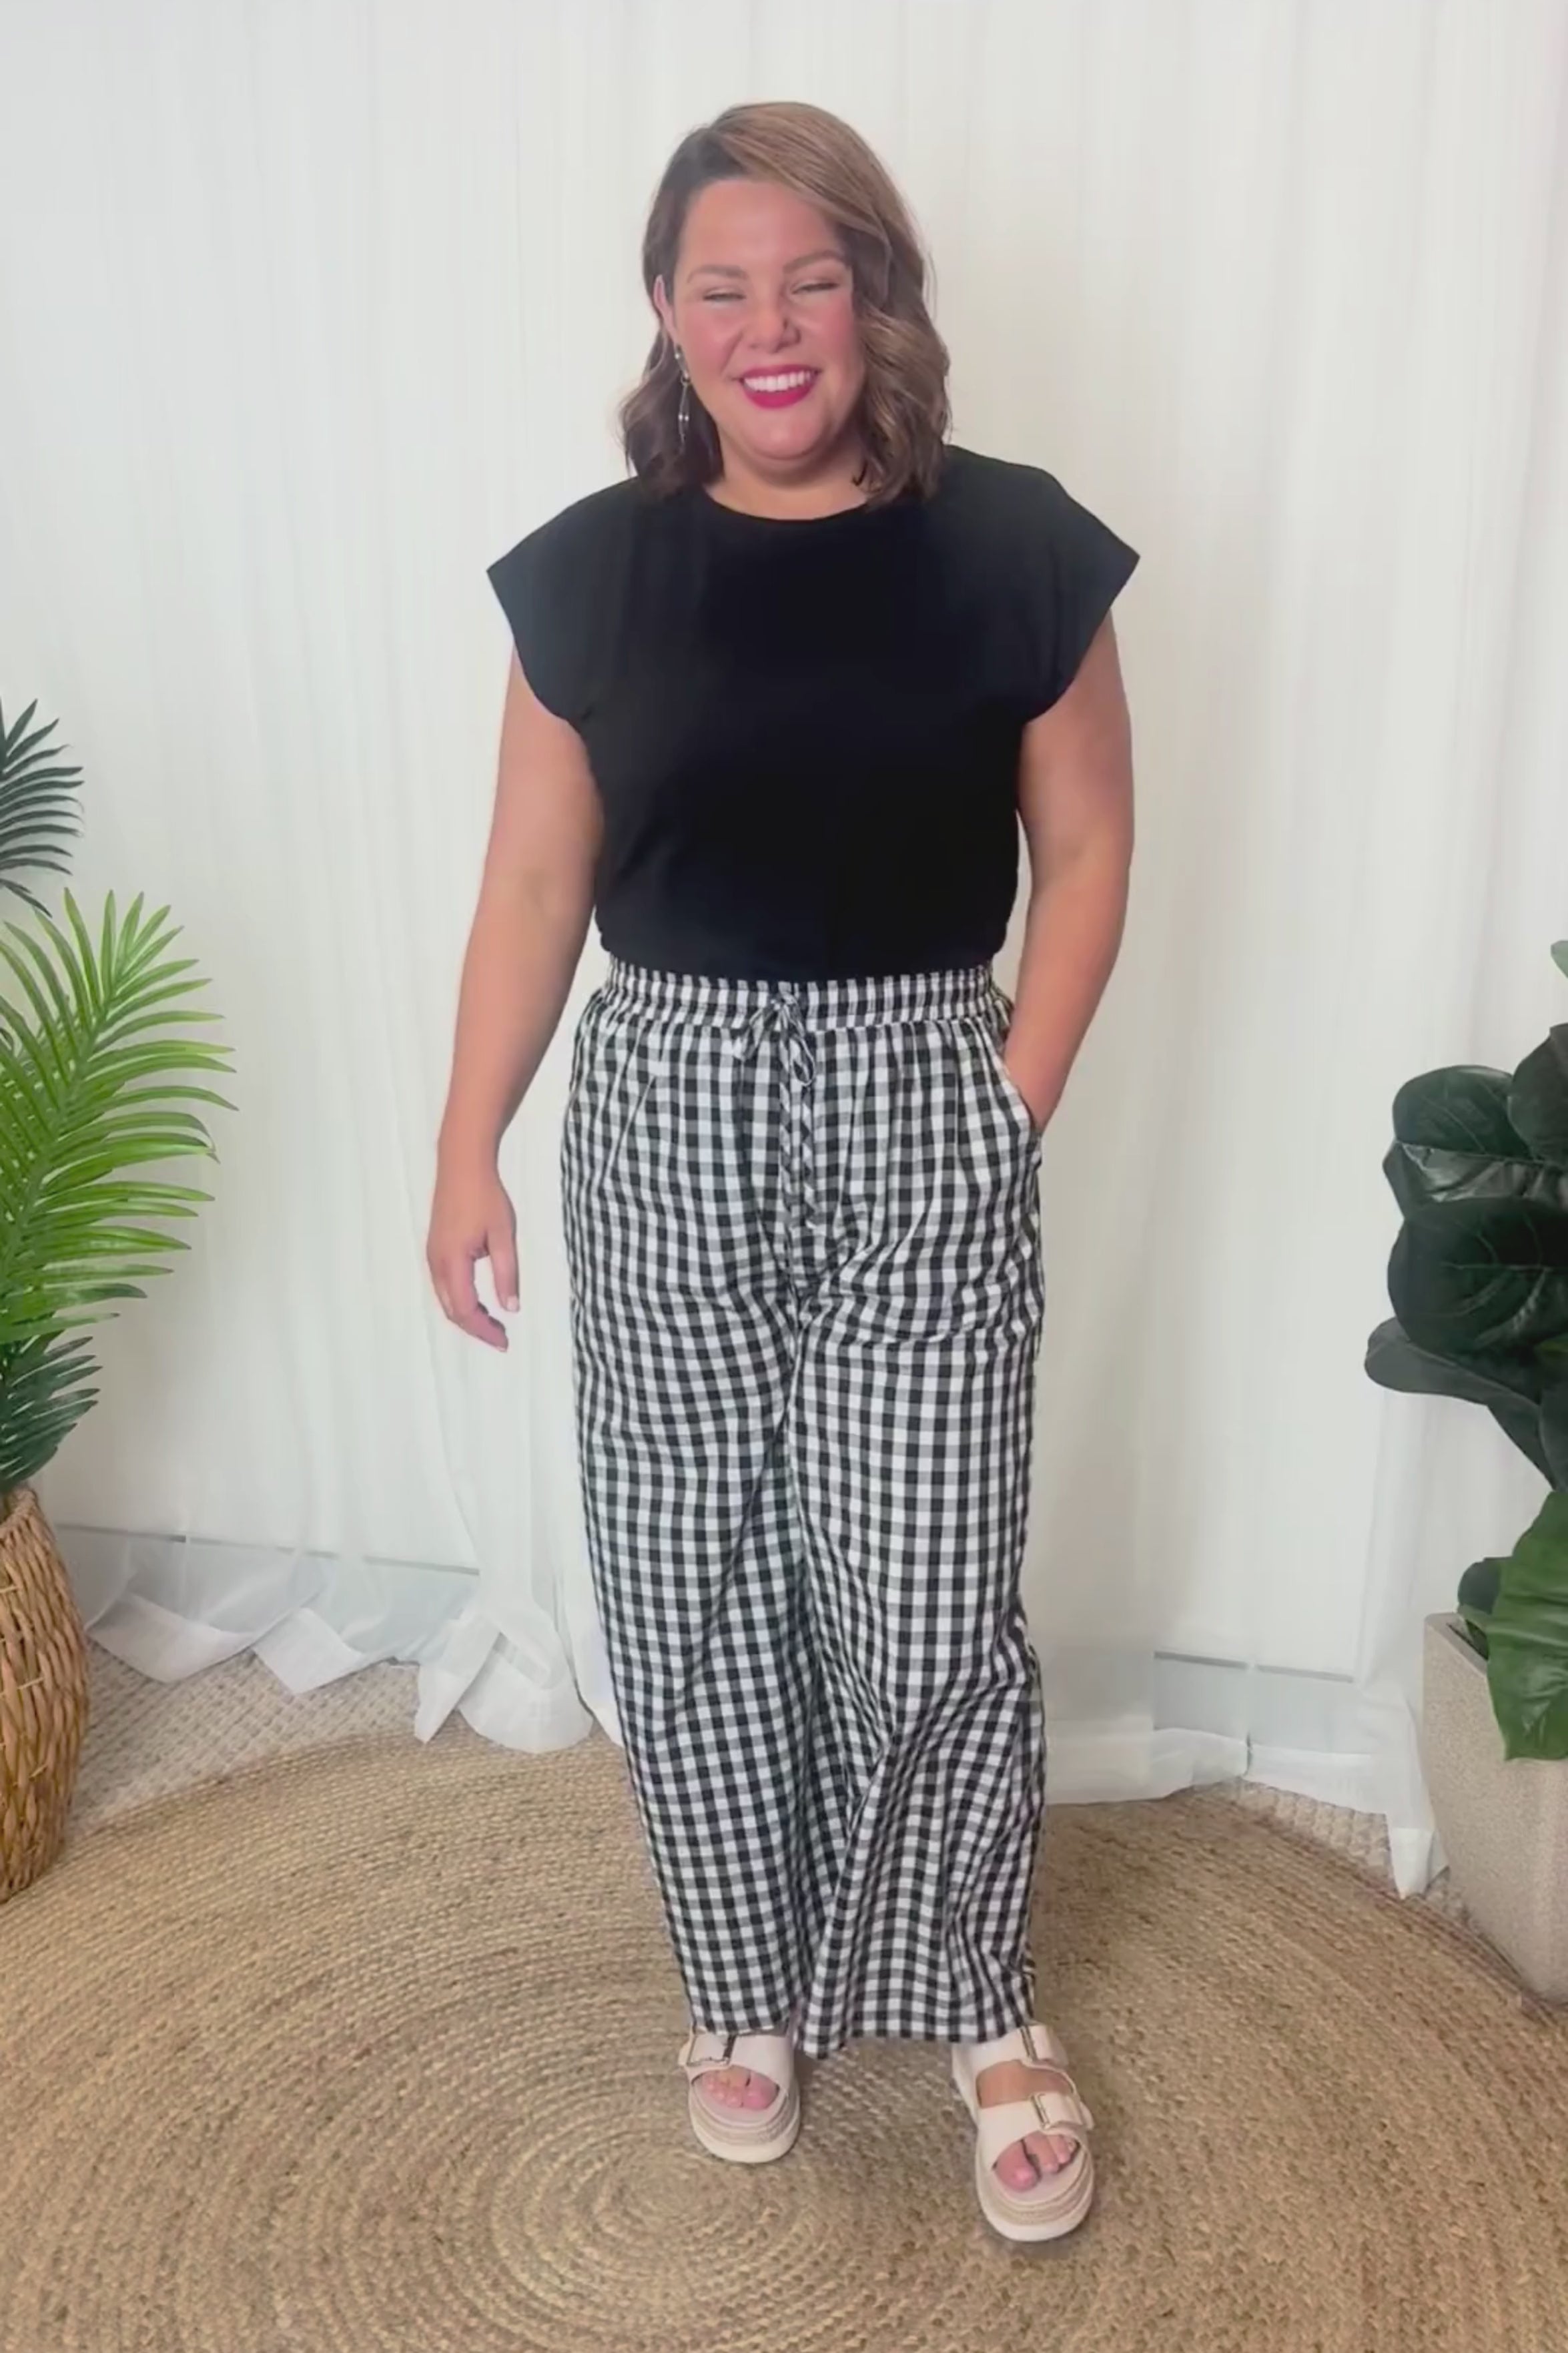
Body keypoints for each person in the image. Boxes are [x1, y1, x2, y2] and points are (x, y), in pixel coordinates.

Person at [428, 99, 1136, 2246]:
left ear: (875, 297)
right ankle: (743, 1987)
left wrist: (1004, 1101)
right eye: (723, 286)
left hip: (924, 1088)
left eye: (812, 280)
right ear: (666, 311)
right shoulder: (590, 575)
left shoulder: (1016, 546)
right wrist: (465, 1144)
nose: (770, 327)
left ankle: (979, 2000)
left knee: (925, 1594)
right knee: (689, 1579)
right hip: (664, 1109)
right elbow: (533, 883)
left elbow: (1089, 844)